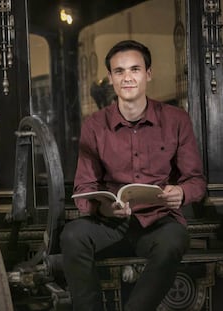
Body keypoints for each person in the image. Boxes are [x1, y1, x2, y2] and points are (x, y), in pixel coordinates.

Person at [60, 40, 206, 311]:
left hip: (159, 223)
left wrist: (182, 193)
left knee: (174, 240)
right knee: (72, 234)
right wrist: (104, 207)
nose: (127, 77)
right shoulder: (94, 125)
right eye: (119, 71)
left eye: (135, 69)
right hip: (111, 226)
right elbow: (83, 188)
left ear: (147, 74)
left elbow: (196, 181)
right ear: (112, 79)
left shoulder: (176, 119)